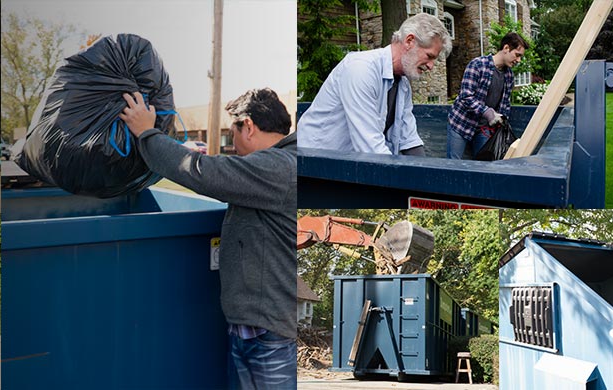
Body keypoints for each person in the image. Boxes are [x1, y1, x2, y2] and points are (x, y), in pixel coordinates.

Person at [119, 88, 298, 390]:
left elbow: (202, 171)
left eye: (234, 132)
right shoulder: (278, 164)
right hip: (252, 331)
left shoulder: (280, 167)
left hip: (270, 338)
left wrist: (146, 133)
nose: (234, 144)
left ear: (249, 126)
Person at [297, 13, 451, 155]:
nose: (431, 66)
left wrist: (425, 177)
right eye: (429, 56)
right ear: (409, 41)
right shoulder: (361, 69)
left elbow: (408, 140)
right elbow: (370, 147)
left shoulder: (402, 84)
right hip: (312, 166)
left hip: (343, 165)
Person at [446, 32, 527, 159]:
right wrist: (487, 112)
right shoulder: (478, 65)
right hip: (461, 124)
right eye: (517, 55)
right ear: (506, 48)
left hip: (484, 128)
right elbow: (466, 96)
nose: (519, 60)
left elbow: (505, 104)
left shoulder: (509, 75)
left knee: (484, 166)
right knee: (453, 164)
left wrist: (502, 121)